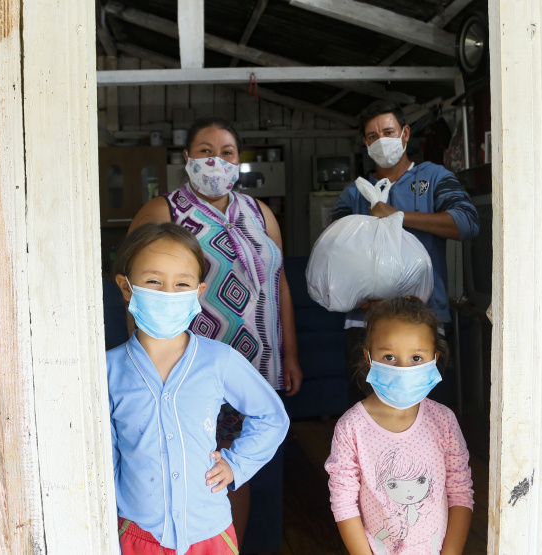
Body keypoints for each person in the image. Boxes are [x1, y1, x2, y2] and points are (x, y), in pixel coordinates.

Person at [130, 116, 301, 548]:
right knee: (209, 468)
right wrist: (143, 355)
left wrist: (291, 354)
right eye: (205, 150)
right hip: (191, 366)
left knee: (244, 461)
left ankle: (239, 544)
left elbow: (278, 283)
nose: (216, 160)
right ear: (186, 158)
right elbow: (134, 286)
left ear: (238, 161)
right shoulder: (163, 210)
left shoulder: (260, 213)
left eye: (226, 153)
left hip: (258, 362)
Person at [107, 222, 289, 555]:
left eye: (182, 284)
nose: (168, 293)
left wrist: (237, 464)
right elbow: (104, 453)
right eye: (153, 282)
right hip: (136, 535)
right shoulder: (108, 370)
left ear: (199, 291)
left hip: (208, 533)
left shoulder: (219, 360)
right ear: (127, 287)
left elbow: (272, 417)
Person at [330, 100, 479, 406]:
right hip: (364, 323)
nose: (381, 140)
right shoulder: (354, 193)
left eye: (388, 131)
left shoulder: (434, 178)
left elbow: (467, 223)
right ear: (365, 143)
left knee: (427, 414)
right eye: (373, 136)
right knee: (368, 415)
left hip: (423, 319)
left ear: (405, 133)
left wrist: (396, 215)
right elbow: (333, 256)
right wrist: (360, 299)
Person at [324, 296, 473, 555]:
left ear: (434, 359)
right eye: (389, 356)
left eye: (416, 357)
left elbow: (460, 491)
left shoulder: (443, 421)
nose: (403, 367)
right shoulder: (351, 428)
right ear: (368, 357)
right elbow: (343, 502)